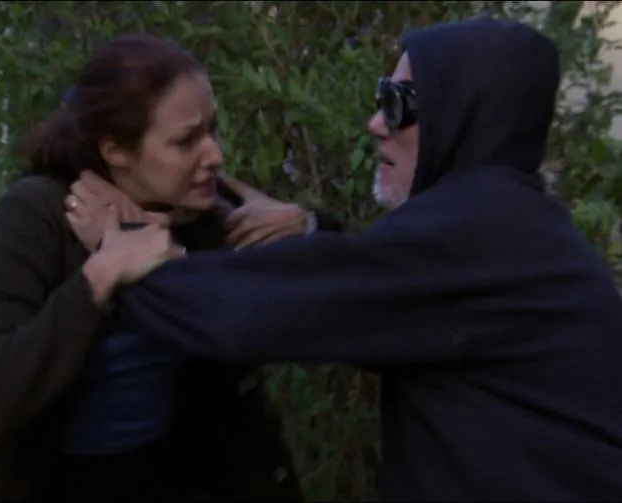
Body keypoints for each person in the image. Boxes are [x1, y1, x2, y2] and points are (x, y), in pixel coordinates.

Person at [66, 16, 622, 501]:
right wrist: (306, 230)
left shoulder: (483, 229)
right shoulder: (509, 228)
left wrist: (126, 252)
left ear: (463, 115)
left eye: (400, 104)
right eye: (383, 97)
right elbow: (369, 293)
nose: (376, 123)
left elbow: (248, 315)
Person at [0, 34, 342, 502]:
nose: (214, 155)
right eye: (186, 140)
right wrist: (99, 277)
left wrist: (307, 223)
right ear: (116, 151)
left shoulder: (203, 209)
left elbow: (340, 284)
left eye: (213, 131)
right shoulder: (39, 214)